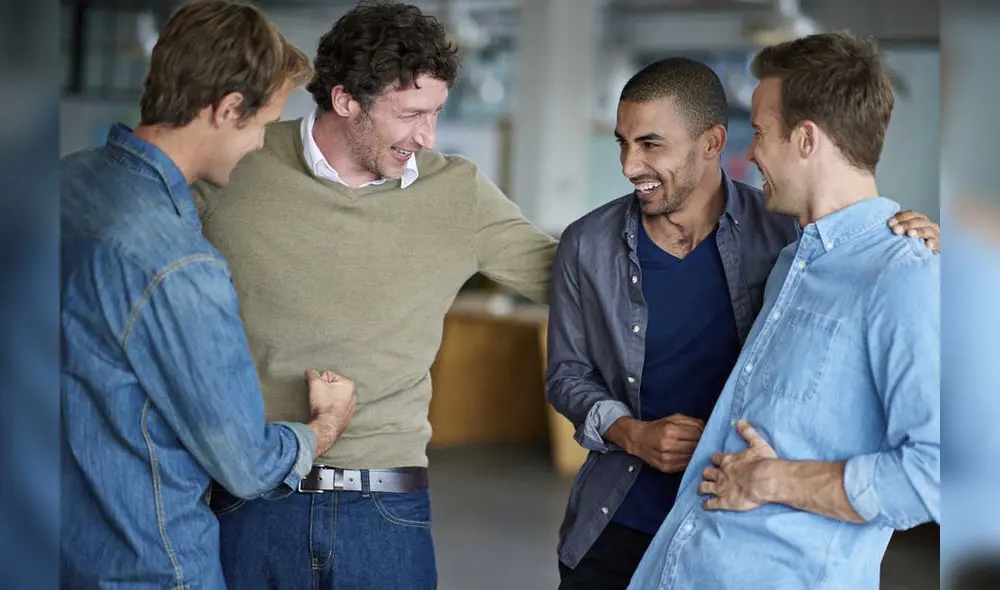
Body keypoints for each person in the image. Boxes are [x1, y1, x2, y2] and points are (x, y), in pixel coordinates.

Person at [190, 2, 554, 588]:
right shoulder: (240, 163)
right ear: (345, 101)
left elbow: (570, 280)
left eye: (436, 113)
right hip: (247, 492)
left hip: (386, 507)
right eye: (411, 114)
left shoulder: (456, 190)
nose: (428, 136)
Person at [546, 54, 940, 588]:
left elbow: (933, 471)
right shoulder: (591, 245)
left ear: (710, 143)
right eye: (623, 142)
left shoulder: (792, 241)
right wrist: (632, 433)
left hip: (743, 539)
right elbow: (567, 374)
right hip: (637, 525)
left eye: (651, 144)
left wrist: (922, 251)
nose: (628, 165)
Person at [59, 2, 357, 588]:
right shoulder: (180, 264)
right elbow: (244, 464)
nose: (258, 147)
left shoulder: (58, 184)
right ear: (226, 110)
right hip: (149, 567)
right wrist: (322, 428)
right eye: (262, 125)